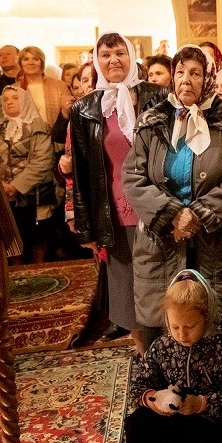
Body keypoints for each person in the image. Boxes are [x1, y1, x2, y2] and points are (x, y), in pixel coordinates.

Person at [123, 45, 222, 363]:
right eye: (180, 72)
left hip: (217, 237)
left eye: (195, 73)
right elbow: (133, 176)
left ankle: (220, 384)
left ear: (208, 78)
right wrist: (171, 215)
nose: (186, 79)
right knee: (165, 322)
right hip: (163, 239)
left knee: (221, 320)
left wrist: (197, 215)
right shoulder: (153, 120)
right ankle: (168, 382)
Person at [71, 33, 169, 350]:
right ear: (96, 61)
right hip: (114, 213)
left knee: (162, 288)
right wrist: (87, 226)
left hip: (156, 208)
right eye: (106, 54)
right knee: (127, 295)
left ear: (131, 57)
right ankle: (144, 358)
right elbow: (83, 172)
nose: (114, 60)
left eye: (120, 53)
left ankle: (169, 354)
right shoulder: (85, 108)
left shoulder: (159, 96)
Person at [124, 269, 222, 443]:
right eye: (175, 327)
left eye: (190, 326)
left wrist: (200, 404)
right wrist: (151, 398)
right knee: (137, 424)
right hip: (175, 415)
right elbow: (138, 383)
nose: (181, 334)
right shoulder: (162, 346)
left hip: (210, 424)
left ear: (207, 317)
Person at [0, 86, 55, 263]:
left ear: (25, 100)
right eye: (5, 99)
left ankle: (39, 271)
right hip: (3, 193)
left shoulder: (39, 127)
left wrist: (16, 186)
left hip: (34, 193)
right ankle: (16, 272)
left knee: (38, 238)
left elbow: (43, 161)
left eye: (15, 98)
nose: (9, 102)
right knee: (12, 239)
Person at [16, 45, 72, 130]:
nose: (30, 62)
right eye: (26, 59)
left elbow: (67, 112)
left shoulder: (59, 85)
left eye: (35, 59)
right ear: (20, 63)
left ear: (42, 62)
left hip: (55, 134)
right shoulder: (14, 88)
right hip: (25, 136)